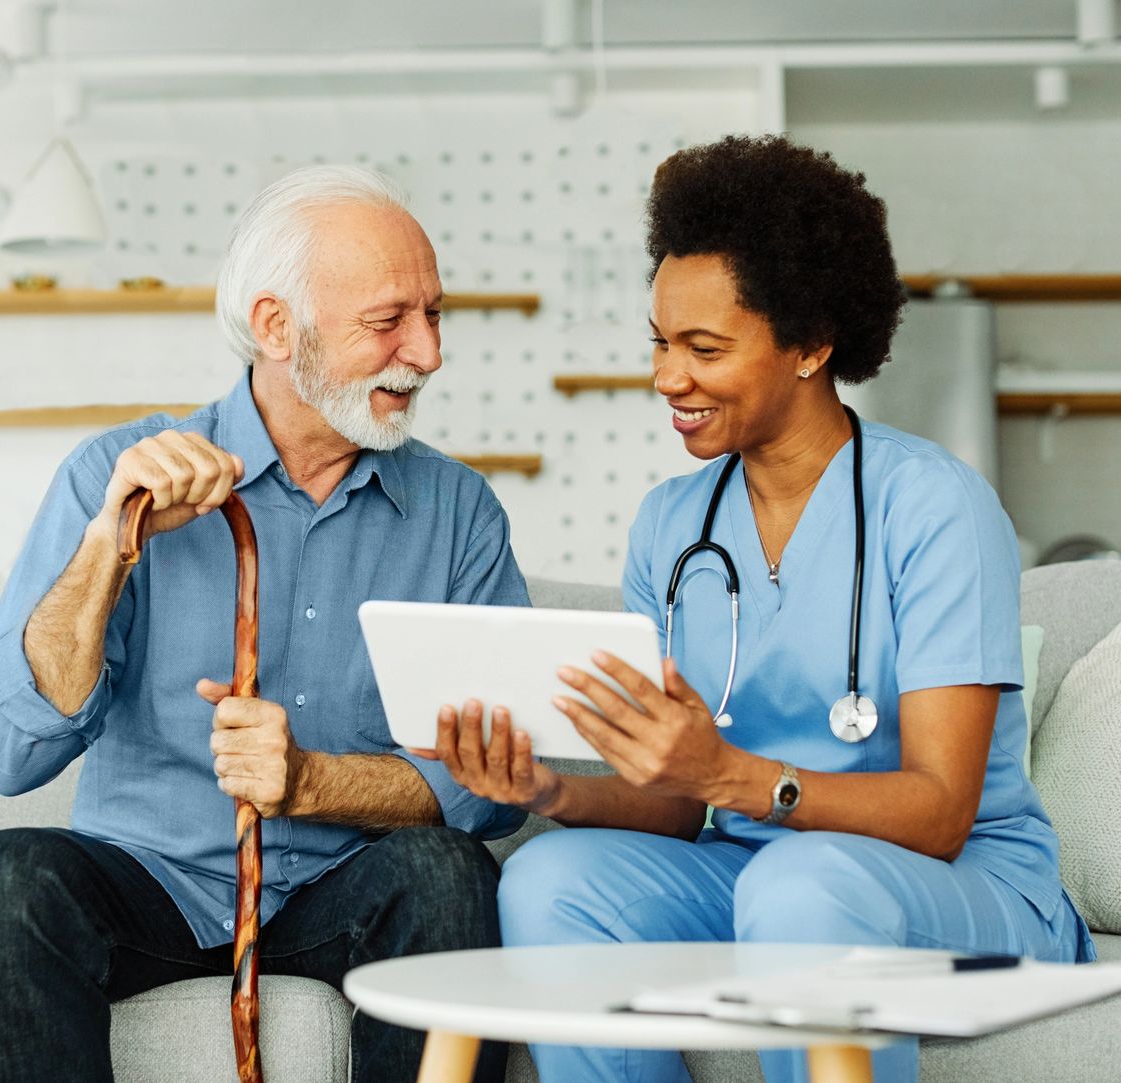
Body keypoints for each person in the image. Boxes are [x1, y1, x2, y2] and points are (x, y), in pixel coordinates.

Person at [423, 135, 1095, 1083]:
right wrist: (547, 791)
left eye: (705, 349)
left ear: (813, 344)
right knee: (549, 879)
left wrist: (736, 777)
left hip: (964, 883)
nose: (667, 378)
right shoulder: (672, 523)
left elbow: (942, 811)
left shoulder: (933, 504)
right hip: (756, 868)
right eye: (659, 342)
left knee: (801, 880)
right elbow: (674, 802)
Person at [0, 165, 528, 1083]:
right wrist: (111, 545)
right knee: (4, 877)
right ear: (275, 326)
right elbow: (7, 755)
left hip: (346, 893)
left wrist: (312, 782)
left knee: (448, 873)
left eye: (434, 315)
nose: (428, 353)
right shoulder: (114, 470)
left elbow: (496, 790)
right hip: (153, 883)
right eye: (389, 322)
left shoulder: (459, 513)